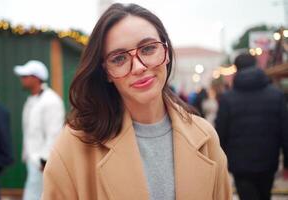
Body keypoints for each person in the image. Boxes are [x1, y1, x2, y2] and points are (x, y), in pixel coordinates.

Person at [42, 3, 232, 200]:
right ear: (106, 72)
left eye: (148, 49)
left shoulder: (205, 137)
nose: (139, 67)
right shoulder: (73, 146)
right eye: (119, 58)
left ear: (166, 52)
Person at [215, 53, 288, 200]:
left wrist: (221, 162)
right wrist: (286, 161)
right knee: (265, 195)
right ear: (256, 64)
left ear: (236, 69)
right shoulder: (276, 95)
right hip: (269, 160)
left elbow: (220, 133)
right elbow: (285, 131)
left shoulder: (228, 99)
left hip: (240, 164)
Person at [14, 60, 65, 200]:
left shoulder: (51, 100)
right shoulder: (33, 99)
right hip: (33, 159)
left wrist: (44, 160)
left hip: (42, 161)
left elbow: (54, 133)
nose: (22, 79)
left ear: (36, 78)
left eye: (25, 76)